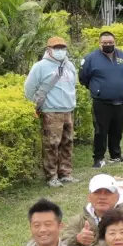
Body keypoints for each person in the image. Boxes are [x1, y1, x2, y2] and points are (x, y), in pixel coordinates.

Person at [24, 36, 77, 187]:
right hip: (51, 111)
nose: (60, 51)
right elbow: (29, 88)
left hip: (68, 109)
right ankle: (51, 176)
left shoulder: (69, 65)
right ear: (49, 50)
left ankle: (65, 173)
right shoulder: (40, 66)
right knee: (52, 144)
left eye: (62, 48)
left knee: (67, 142)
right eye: (56, 48)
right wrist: (37, 103)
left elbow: (73, 84)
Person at [80, 31, 123, 169]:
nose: (108, 45)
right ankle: (98, 158)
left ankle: (116, 155)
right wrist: (97, 89)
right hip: (101, 103)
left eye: (110, 42)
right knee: (100, 131)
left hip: (121, 101)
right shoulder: (91, 59)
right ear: (99, 43)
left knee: (118, 129)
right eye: (105, 43)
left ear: (115, 42)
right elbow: (83, 78)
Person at [63, 174, 123, 246]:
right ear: (89, 197)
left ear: (117, 197)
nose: (102, 197)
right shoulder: (80, 219)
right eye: (97, 192)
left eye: (108, 193)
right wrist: (77, 239)